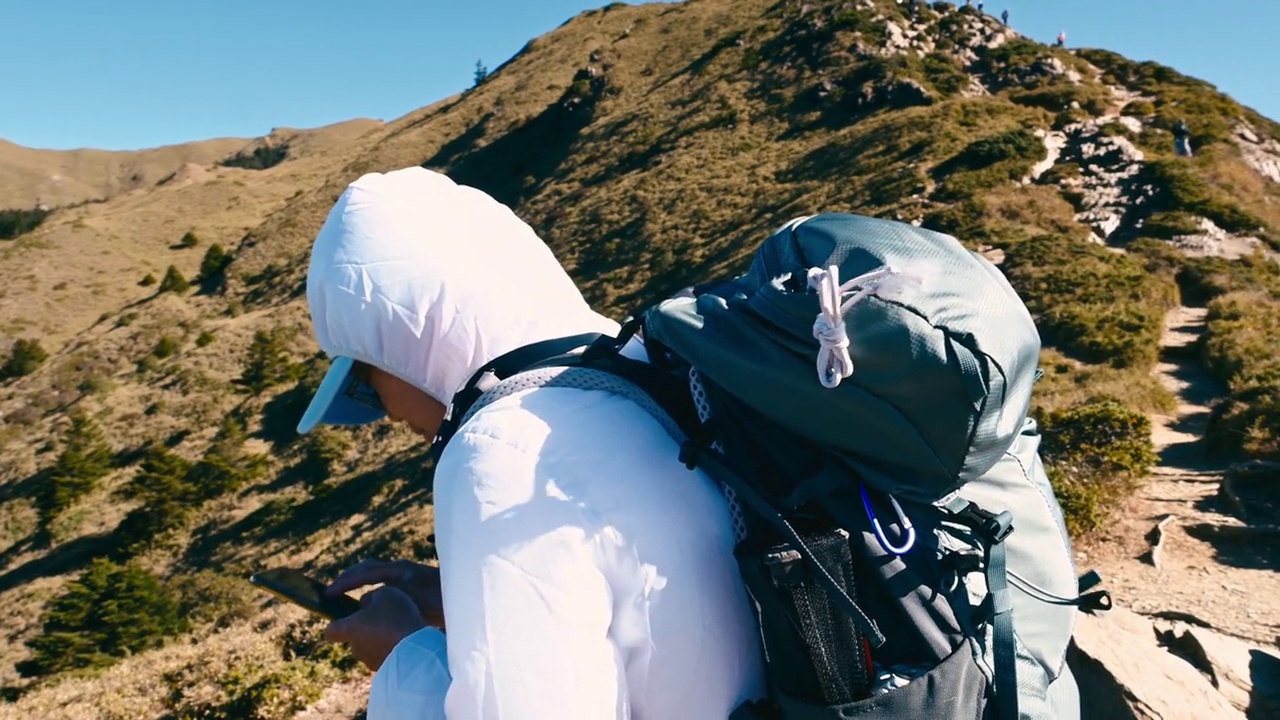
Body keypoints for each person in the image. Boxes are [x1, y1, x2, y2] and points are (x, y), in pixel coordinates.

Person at [296, 166, 764, 718]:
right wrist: (464, 601)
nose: (385, 415)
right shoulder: (647, 370)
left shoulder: (499, 450)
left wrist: (402, 655)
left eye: (365, 384)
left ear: (400, 344)